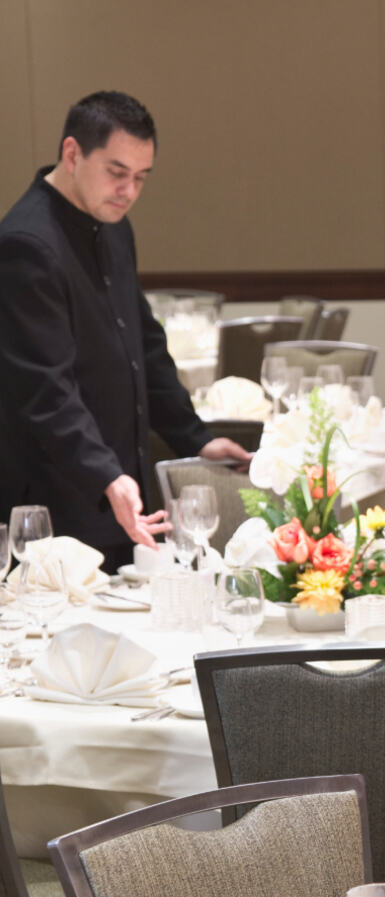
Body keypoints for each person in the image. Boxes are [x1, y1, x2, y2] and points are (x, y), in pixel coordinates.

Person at [0, 90, 250, 572]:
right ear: (72, 154)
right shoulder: (25, 245)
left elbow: (144, 348)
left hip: (115, 492)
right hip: (57, 505)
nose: (129, 191)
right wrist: (106, 474)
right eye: (117, 173)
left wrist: (194, 438)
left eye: (140, 178)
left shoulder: (113, 226)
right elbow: (45, 392)